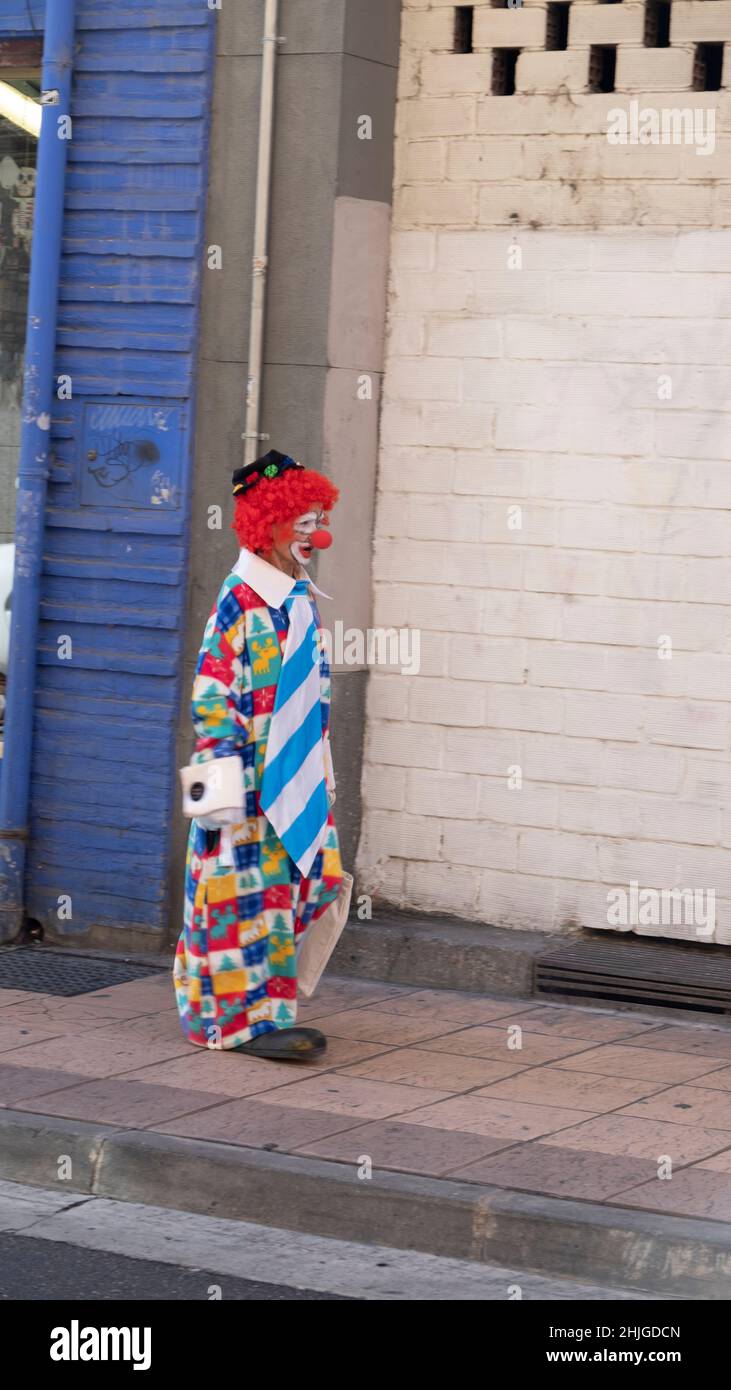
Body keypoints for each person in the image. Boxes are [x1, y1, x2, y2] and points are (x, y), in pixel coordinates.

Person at [174, 450, 344, 1060]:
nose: (316, 535)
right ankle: (233, 1023)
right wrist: (221, 796)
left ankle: (270, 1011)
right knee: (235, 896)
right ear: (270, 524)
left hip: (292, 779)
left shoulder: (297, 599)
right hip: (242, 780)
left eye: (319, 521)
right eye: (304, 522)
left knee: (288, 889)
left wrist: (319, 776)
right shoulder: (239, 600)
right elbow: (212, 695)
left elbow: (315, 699)